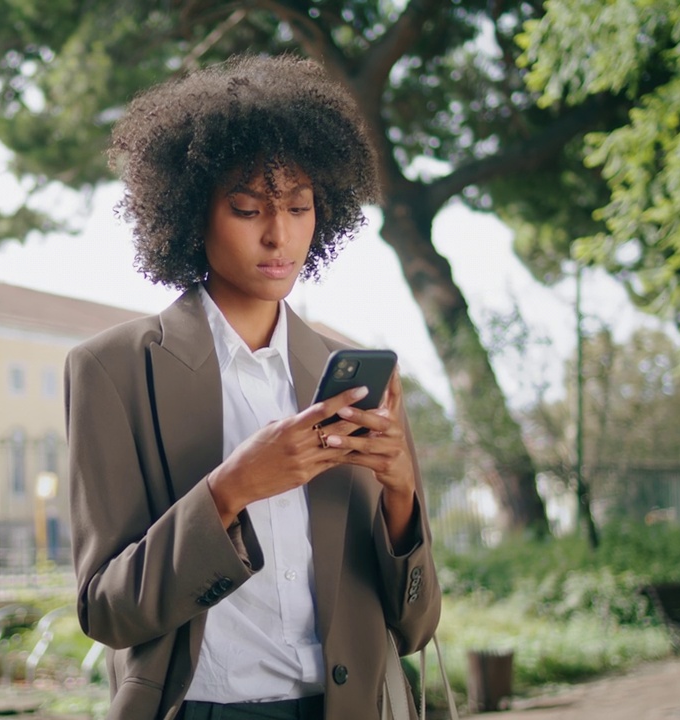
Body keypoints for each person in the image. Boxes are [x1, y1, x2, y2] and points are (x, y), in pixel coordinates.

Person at [65, 55, 441, 720]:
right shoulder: (112, 371)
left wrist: (403, 495)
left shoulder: (355, 371)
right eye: (247, 209)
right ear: (190, 211)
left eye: (299, 207)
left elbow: (415, 627)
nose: (279, 235)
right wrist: (229, 490)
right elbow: (107, 609)